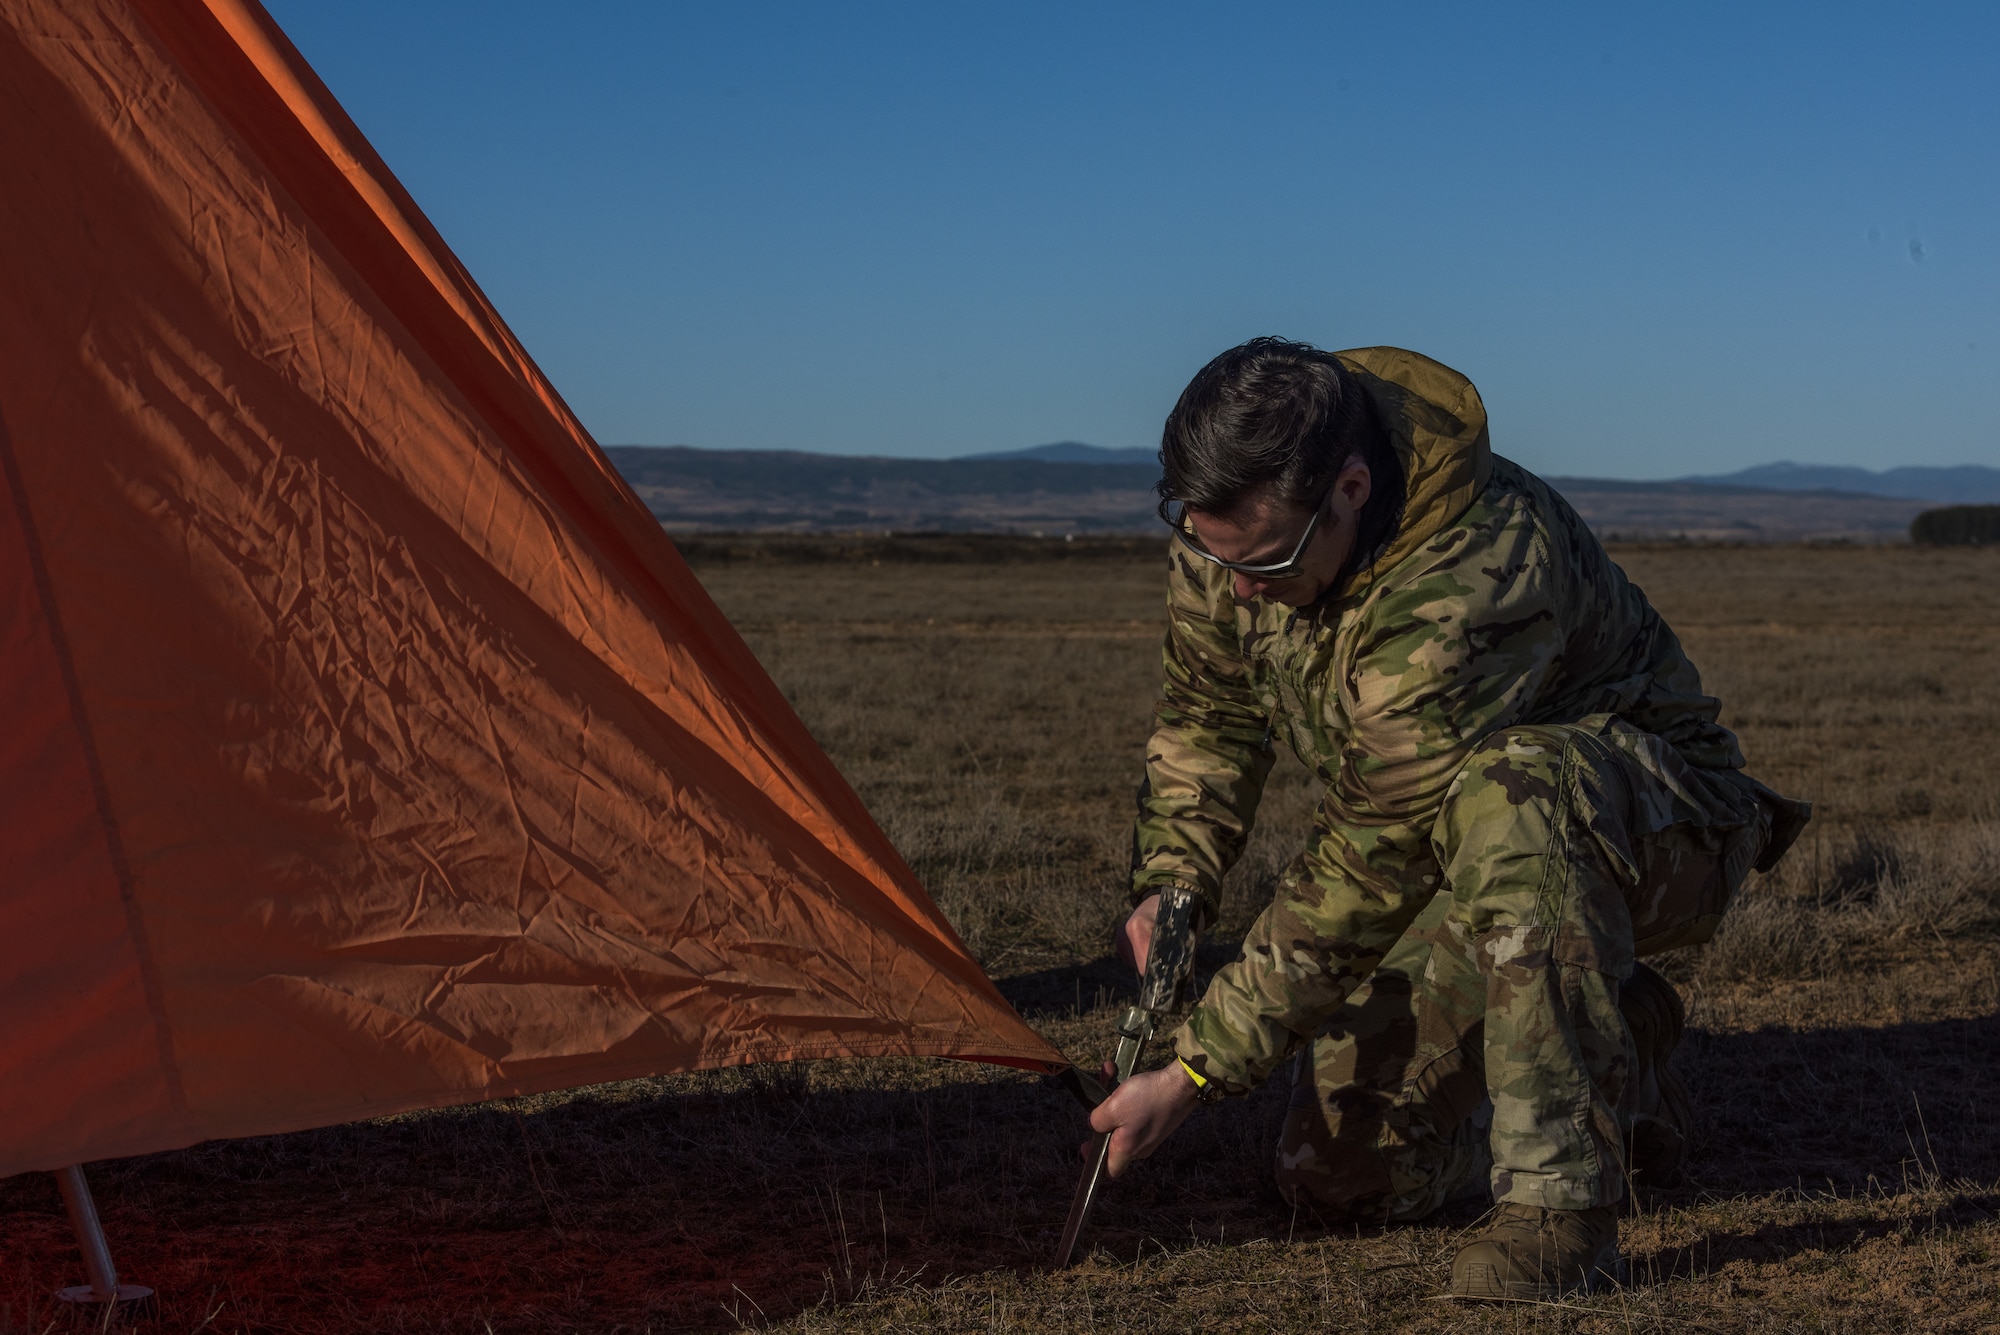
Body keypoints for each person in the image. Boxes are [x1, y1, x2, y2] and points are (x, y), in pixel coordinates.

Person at [1090, 338, 1809, 1301]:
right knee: (1337, 1176)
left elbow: (1371, 857)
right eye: (1209, 553)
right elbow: (1212, 717)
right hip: (1462, 857)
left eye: (1266, 561)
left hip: (1656, 831)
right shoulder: (1233, 545)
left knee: (1519, 783)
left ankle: (1562, 1209)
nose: (1240, 589)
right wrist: (1173, 888)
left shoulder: (1477, 571)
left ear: (1350, 488)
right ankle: (1625, 1055)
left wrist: (1195, 1070)